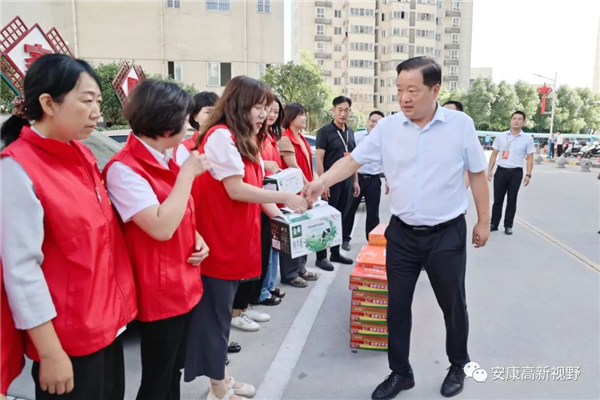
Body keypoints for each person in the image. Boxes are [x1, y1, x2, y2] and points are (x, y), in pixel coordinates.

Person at [303, 56, 490, 400]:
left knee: (453, 305)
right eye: (400, 89)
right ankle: (401, 372)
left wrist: (484, 220)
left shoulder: (460, 125)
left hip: (446, 234)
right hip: (402, 234)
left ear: (435, 90)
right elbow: (352, 160)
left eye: (413, 90)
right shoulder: (388, 127)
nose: (404, 97)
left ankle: (458, 364)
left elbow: (477, 173)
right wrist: (320, 182)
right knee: (397, 307)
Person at [0, 53, 137, 400]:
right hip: (68, 339)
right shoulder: (17, 169)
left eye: (99, 102)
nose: (97, 112)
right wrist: (50, 353)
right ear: (49, 103)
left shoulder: (82, 154)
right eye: (87, 101)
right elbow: (21, 270)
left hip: (107, 324)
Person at [184, 76, 307, 400]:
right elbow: (236, 189)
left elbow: (255, 188)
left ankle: (221, 378)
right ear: (239, 104)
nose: (264, 114)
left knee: (221, 316)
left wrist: (286, 216)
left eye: (267, 107)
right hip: (218, 241)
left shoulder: (240, 138)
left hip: (233, 238)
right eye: (258, 106)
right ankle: (218, 389)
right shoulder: (221, 136)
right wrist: (286, 198)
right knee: (216, 318)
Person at [104, 80, 209, 400]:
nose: (188, 125)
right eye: (185, 118)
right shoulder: (124, 170)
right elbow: (161, 227)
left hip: (183, 281)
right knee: (157, 377)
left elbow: (177, 212)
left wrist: (197, 237)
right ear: (166, 126)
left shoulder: (165, 158)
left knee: (173, 370)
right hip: (159, 290)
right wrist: (187, 175)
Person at [277, 103, 320, 288]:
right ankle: (290, 273)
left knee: (303, 232)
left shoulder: (301, 137)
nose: (304, 118)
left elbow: (308, 165)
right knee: (292, 234)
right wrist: (308, 185)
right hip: (293, 192)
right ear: (291, 117)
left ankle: (301, 268)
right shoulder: (285, 138)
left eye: (304, 114)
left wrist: (314, 183)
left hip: (304, 190)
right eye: (300, 114)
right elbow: (294, 167)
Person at [314, 96, 357, 271]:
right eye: (340, 110)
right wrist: (322, 184)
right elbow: (319, 159)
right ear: (333, 110)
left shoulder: (350, 131)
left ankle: (335, 252)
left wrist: (355, 181)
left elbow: (353, 159)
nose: (343, 113)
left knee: (339, 218)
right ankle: (320, 257)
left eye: (346, 110)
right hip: (330, 182)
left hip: (346, 181)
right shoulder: (325, 131)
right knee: (325, 220)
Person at [252, 96, 286, 305]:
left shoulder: (270, 137)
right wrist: (264, 164)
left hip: (272, 200)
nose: (271, 115)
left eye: (275, 111)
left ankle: (269, 286)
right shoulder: (255, 138)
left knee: (273, 248)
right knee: (264, 250)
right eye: (268, 110)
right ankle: (262, 292)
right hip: (260, 202)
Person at [341, 110, 385, 250]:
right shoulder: (357, 136)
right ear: (368, 121)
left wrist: (389, 181)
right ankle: (345, 239)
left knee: (373, 212)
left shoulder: (384, 139)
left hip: (374, 179)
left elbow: (387, 161)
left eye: (378, 122)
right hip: (357, 178)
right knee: (350, 209)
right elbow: (349, 157)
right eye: (373, 121)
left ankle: (372, 240)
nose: (374, 124)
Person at [487, 111, 534, 236]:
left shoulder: (527, 139)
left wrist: (528, 174)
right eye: (514, 118)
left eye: (519, 119)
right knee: (498, 200)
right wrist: (490, 170)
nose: (516, 121)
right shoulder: (501, 136)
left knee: (512, 200)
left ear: (523, 122)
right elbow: (494, 154)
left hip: (516, 172)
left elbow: (530, 157)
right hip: (501, 171)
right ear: (511, 120)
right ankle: (494, 223)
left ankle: (508, 225)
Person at [173, 91, 219, 164]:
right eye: (208, 112)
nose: (213, 116)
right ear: (195, 116)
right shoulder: (185, 148)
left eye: (217, 112)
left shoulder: (229, 141)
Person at [442, 101, 471, 190]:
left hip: (453, 191)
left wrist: (462, 190)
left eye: (450, 113)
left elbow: (471, 169)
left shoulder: (465, 138)